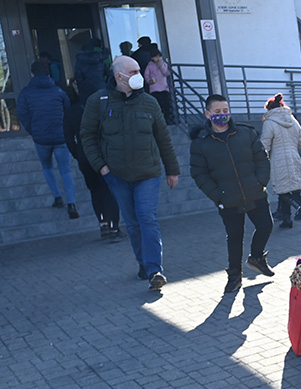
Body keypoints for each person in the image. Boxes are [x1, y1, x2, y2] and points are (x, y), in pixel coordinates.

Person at [80, 55, 181, 290]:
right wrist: (101, 166)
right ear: (119, 76)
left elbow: (163, 137)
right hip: (117, 174)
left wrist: (172, 170)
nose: (140, 75)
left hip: (148, 172)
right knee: (133, 223)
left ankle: (155, 270)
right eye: (134, 71)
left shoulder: (149, 102)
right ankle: (143, 265)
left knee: (147, 219)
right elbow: (87, 135)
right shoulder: (99, 101)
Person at [189, 94, 274, 294]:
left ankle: (256, 257)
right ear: (208, 114)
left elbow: (262, 159)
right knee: (235, 237)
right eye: (217, 112)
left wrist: (260, 181)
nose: (222, 115)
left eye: (225, 111)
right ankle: (234, 276)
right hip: (228, 199)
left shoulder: (246, 133)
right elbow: (199, 174)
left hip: (255, 192)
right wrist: (218, 195)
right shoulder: (201, 143)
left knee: (266, 226)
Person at [16, 60, 77, 218]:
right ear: (49, 74)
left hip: (41, 138)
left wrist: (33, 131)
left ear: (32, 74)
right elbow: (68, 110)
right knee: (66, 170)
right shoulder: (58, 91)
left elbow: (22, 115)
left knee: (47, 167)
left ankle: (57, 197)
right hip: (60, 137)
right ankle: (72, 203)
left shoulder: (25, 93)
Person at [65, 87, 121, 240]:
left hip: (84, 155)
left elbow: (69, 139)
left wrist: (77, 154)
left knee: (95, 191)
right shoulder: (96, 108)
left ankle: (103, 224)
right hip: (101, 153)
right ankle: (113, 227)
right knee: (107, 190)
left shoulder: (70, 113)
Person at [261, 93, 301, 229]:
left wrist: (263, 157)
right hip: (294, 156)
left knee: (282, 191)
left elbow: (265, 145)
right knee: (292, 188)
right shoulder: (293, 120)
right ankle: (286, 219)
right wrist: (292, 150)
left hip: (278, 160)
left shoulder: (269, 122)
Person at [144, 48, 174, 124]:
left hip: (164, 88)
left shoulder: (163, 64)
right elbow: (146, 75)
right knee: (157, 106)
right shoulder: (150, 66)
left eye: (159, 57)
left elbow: (166, 73)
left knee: (167, 105)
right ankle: (158, 121)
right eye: (155, 57)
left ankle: (168, 120)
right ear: (152, 58)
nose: (157, 59)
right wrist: (149, 81)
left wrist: (160, 65)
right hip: (154, 89)